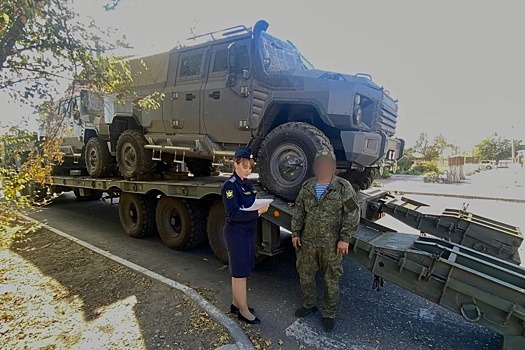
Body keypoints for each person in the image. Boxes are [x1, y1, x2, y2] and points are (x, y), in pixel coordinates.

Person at [291, 150, 360, 332]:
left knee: (331, 280)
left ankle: (329, 313)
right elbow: (299, 211)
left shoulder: (343, 187)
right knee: (305, 275)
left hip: (331, 244)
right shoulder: (307, 186)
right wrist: (295, 233)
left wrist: (345, 238)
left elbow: (352, 212)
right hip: (308, 242)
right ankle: (309, 303)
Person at [221, 147, 269, 325]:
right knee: (240, 272)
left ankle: (236, 303)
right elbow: (233, 214)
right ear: (235, 164)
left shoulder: (246, 183)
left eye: (250, 167)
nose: (248, 170)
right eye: (245, 166)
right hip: (236, 233)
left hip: (247, 232)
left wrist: (259, 205)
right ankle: (243, 310)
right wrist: (257, 213)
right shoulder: (230, 186)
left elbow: (250, 203)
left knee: (244, 268)